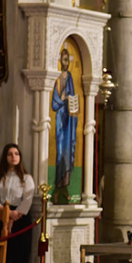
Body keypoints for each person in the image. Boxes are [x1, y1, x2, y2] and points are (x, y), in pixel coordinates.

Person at [52, 48, 79, 201]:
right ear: (60, 61)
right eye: (64, 60)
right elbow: (54, 101)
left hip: (69, 120)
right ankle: (57, 186)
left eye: (67, 60)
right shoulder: (57, 78)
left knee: (68, 152)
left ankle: (65, 187)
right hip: (60, 118)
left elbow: (72, 95)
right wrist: (62, 99)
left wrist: (71, 102)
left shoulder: (69, 77)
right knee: (60, 151)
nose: (66, 63)